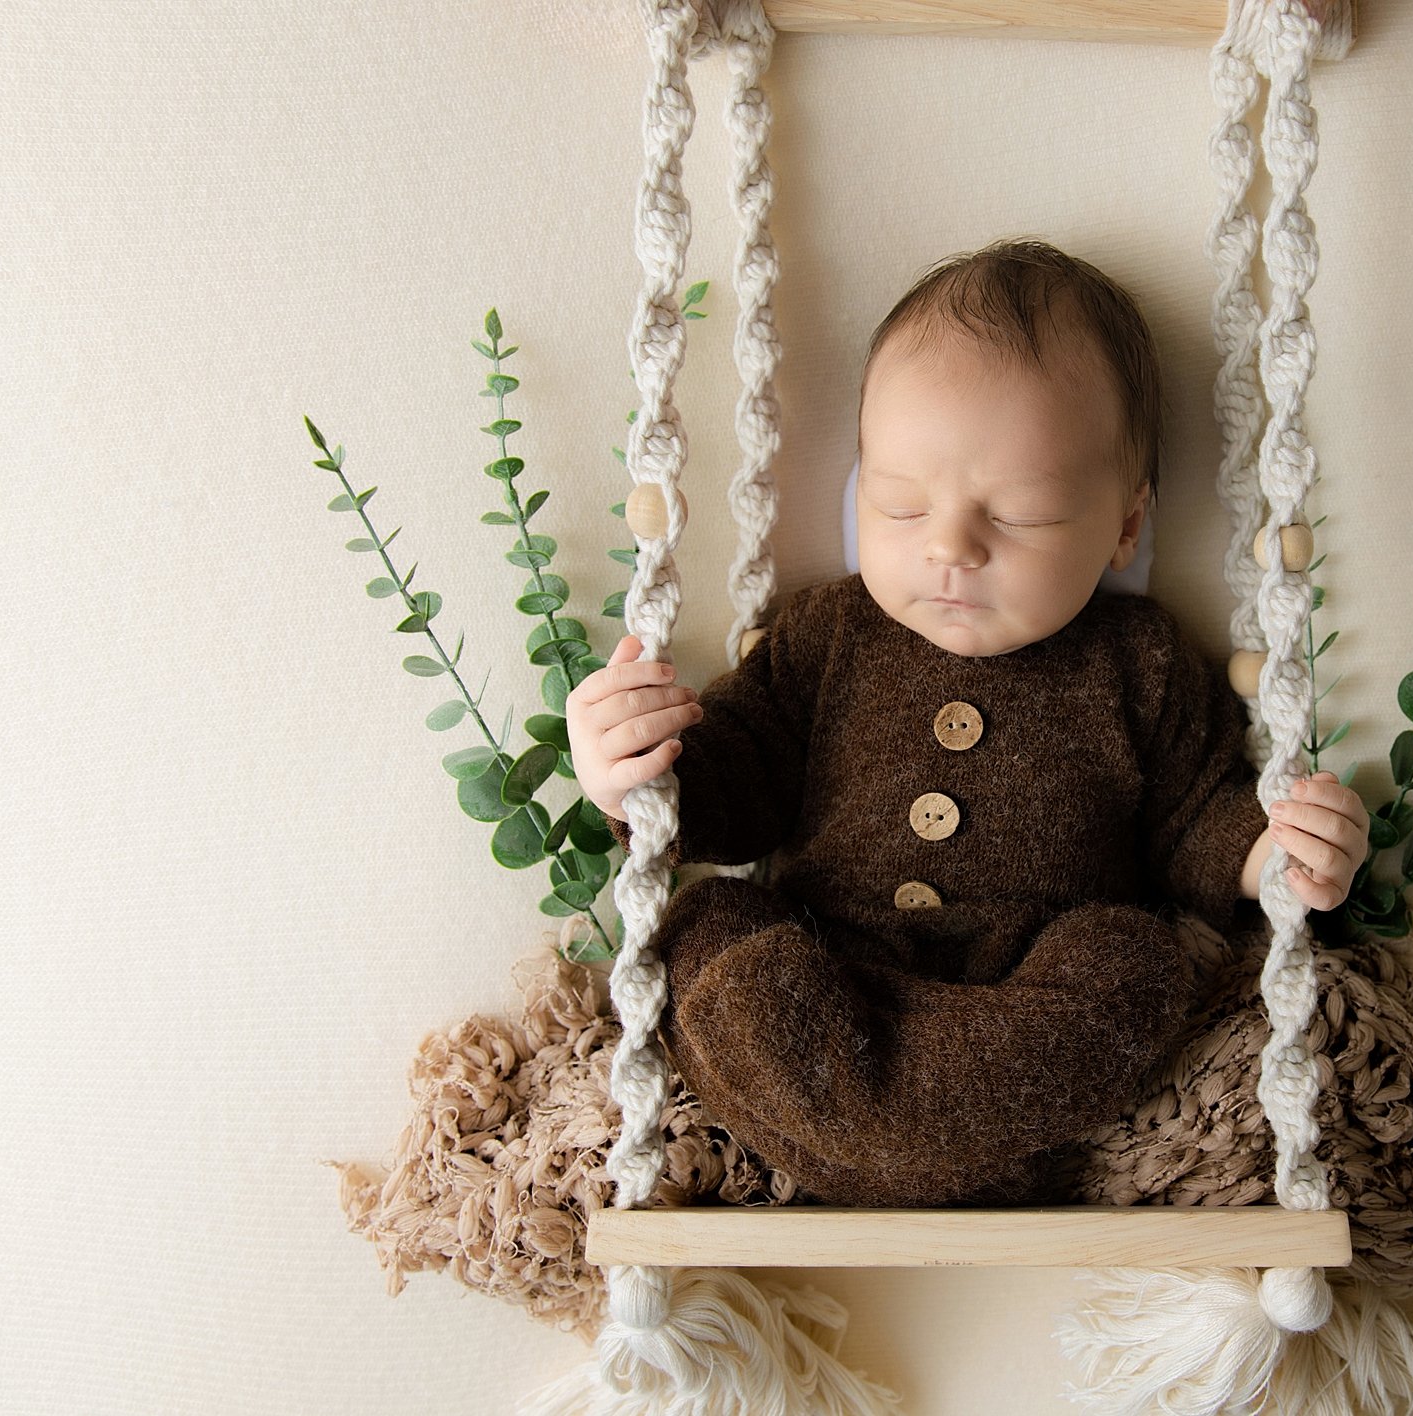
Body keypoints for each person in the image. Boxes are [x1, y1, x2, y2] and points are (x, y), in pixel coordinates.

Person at [568, 237, 1370, 1207]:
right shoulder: (826, 635)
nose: (949, 547)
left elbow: (1196, 821)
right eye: (898, 507)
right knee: (710, 928)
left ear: (1123, 524)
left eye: (1019, 515)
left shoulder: (1140, 659)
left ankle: (890, 1137)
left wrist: (1279, 849)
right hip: (827, 981)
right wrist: (631, 769)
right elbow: (736, 781)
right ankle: (916, 1136)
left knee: (1135, 961)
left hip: (1026, 997)